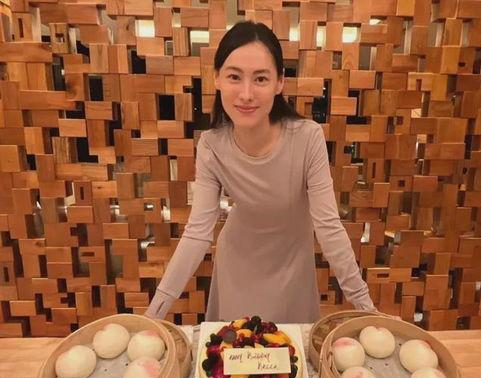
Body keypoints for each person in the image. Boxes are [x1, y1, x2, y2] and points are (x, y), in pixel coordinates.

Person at [145, 20, 377, 323]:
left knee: (288, 348)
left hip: (292, 266)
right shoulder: (212, 145)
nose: (246, 93)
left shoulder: (307, 138)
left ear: (279, 82)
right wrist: (153, 314)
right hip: (237, 266)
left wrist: (367, 310)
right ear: (217, 78)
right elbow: (197, 233)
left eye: (260, 79)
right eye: (234, 76)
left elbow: (329, 227)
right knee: (237, 346)